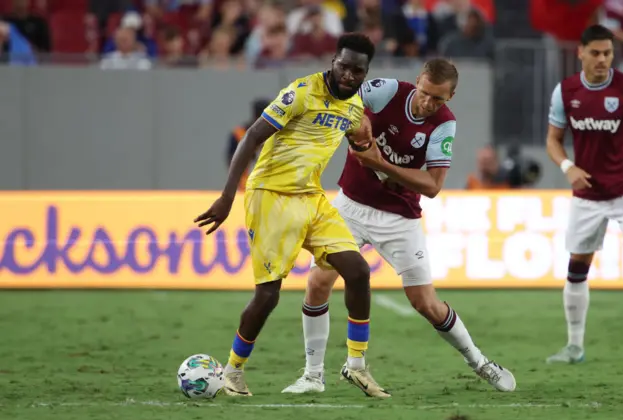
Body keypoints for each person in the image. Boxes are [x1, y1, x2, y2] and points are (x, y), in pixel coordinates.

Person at [282, 59, 516, 395]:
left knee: (425, 303)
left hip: (399, 218)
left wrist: (381, 164)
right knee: (318, 282)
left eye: (438, 99)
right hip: (351, 205)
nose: (427, 103)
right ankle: (313, 375)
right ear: (418, 80)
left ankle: (480, 362)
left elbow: (433, 186)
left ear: (451, 96)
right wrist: (360, 129)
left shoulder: (444, 126)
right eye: (424, 93)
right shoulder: (387, 91)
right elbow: (349, 104)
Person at [194, 33, 390, 398]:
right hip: (271, 196)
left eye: (357, 70)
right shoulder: (301, 92)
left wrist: (377, 163)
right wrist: (226, 198)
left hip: (311, 198)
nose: (348, 75)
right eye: (343, 66)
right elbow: (251, 137)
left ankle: (358, 366)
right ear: (333, 60)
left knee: (359, 271)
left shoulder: (354, 109)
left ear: (365, 73)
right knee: (268, 296)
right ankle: (234, 372)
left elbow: (360, 145)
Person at [545, 24, 623, 364]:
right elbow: (553, 140)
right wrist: (567, 166)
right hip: (587, 195)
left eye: (608, 54)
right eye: (596, 53)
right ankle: (574, 347)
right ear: (581, 53)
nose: (602, 60)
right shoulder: (565, 91)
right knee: (577, 267)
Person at [226, 99, 270, 191]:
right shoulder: (239, 134)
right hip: (244, 185)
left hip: (267, 186)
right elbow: (230, 159)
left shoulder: (273, 135)